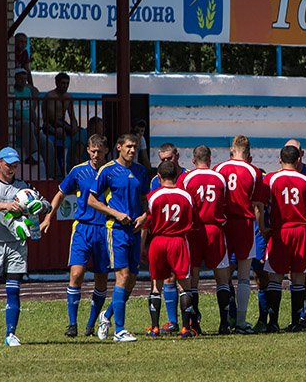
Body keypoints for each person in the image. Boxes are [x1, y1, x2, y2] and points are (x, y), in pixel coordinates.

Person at [0, 147, 50, 346]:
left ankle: (10, 334)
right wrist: (3, 205)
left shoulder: (24, 187)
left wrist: (40, 206)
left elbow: (46, 204)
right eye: (8, 165)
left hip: (17, 244)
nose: (12, 169)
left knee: (13, 289)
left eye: (15, 165)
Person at [41, 133, 111, 338]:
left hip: (105, 228)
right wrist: (48, 217)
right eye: (93, 150)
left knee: (101, 279)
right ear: (88, 150)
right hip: (82, 228)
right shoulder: (79, 171)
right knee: (76, 274)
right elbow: (61, 193)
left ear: (106, 151)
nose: (96, 154)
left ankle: (91, 324)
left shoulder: (113, 171)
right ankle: (72, 324)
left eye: (99, 151)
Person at [87, 133, 148, 342]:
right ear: (119, 147)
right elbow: (92, 200)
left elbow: (145, 201)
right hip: (116, 230)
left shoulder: (140, 171)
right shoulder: (108, 170)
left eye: (135, 147)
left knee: (131, 280)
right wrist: (115, 213)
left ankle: (107, 315)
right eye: (129, 146)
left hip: (135, 230)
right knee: (121, 276)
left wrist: (144, 217)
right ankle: (119, 330)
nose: (132, 150)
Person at [257, 144, 306, 332]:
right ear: (298, 160)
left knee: (275, 277)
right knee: (298, 277)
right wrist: (305, 218)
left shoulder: (270, 179)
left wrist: (262, 227)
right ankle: (296, 321)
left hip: (280, 231)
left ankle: (273, 321)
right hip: (300, 231)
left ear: (279, 159)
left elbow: (259, 205)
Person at [144, 160, 200, 338]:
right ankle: (185, 328)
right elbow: (193, 222)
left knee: (156, 285)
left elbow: (147, 222)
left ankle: (155, 328)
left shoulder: (153, 196)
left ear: (159, 176)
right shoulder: (186, 196)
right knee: (184, 285)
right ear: (177, 176)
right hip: (178, 241)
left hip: (159, 241)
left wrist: (141, 247)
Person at [182, 145, 230, 333]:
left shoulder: (187, 179)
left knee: (193, 278)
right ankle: (224, 323)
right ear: (210, 159)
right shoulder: (219, 178)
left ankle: (194, 324)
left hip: (194, 230)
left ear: (193, 160)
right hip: (215, 229)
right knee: (222, 278)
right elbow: (224, 202)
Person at [215, 136, 261, 333]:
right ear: (249, 152)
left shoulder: (219, 169)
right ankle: (241, 321)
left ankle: (224, 321)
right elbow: (257, 205)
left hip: (224, 224)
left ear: (232, 149)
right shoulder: (254, 171)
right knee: (244, 276)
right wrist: (262, 228)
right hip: (244, 223)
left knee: (223, 276)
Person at [42, 72, 78, 177]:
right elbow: (52, 118)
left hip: (63, 124)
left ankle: (72, 169)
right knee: (59, 133)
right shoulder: (50, 96)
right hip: (49, 125)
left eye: (67, 83)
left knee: (79, 135)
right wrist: (67, 128)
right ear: (57, 83)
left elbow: (73, 116)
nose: (65, 86)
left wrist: (74, 128)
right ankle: (58, 171)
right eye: (63, 83)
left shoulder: (68, 97)